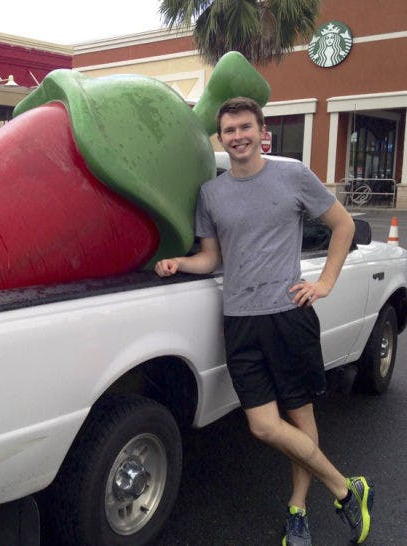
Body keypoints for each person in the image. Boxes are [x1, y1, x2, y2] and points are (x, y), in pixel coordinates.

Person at [155, 97, 373, 545]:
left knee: (300, 417)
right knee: (262, 426)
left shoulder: (291, 174)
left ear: (261, 130)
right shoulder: (211, 194)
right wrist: (179, 262)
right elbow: (212, 258)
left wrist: (326, 282)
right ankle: (344, 487)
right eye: (229, 130)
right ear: (221, 137)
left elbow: (344, 225)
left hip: (288, 316)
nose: (238, 136)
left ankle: (297, 510)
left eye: (245, 127)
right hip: (239, 321)